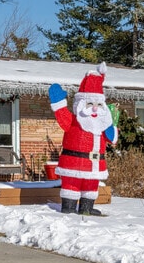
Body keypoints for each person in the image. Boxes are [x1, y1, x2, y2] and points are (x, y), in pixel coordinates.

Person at [48, 62, 118, 215]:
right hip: (73, 163)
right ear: (80, 104)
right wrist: (58, 102)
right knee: (71, 184)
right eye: (90, 103)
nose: (94, 108)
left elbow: (112, 139)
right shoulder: (74, 121)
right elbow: (62, 116)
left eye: (98, 104)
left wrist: (113, 125)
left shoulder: (103, 123)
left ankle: (87, 207)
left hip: (95, 164)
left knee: (91, 185)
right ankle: (69, 206)